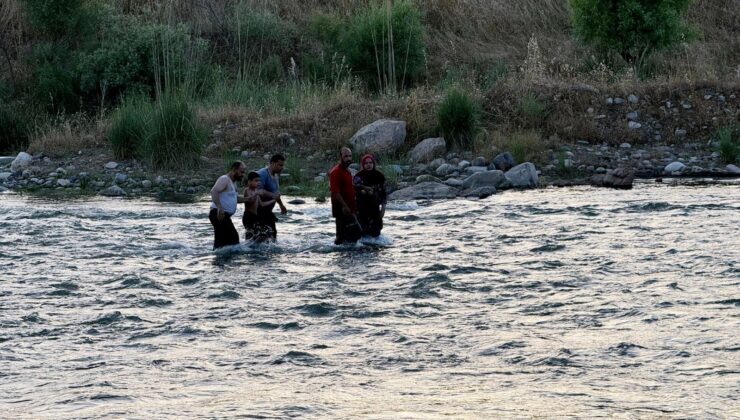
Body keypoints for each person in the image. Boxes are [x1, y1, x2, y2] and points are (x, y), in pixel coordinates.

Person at [209, 161, 248, 249]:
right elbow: (214, 191)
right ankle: (219, 260)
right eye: (241, 172)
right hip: (218, 213)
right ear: (234, 169)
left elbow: (235, 199)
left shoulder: (233, 183)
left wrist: (248, 199)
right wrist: (219, 207)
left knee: (225, 241)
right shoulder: (224, 179)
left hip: (223, 215)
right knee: (232, 239)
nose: (243, 175)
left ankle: (221, 259)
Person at [329, 147, 361, 245]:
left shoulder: (347, 171)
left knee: (350, 236)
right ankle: (341, 256)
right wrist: (345, 206)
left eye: (350, 156)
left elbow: (349, 188)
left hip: (349, 208)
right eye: (345, 156)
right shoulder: (335, 172)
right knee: (345, 236)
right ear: (341, 157)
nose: (348, 158)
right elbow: (335, 192)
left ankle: (347, 257)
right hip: (341, 209)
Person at [354, 154, 387, 237]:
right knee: (362, 233)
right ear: (363, 164)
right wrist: (363, 191)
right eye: (366, 163)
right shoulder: (358, 177)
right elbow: (354, 191)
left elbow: (383, 193)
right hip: (362, 209)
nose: (368, 165)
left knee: (376, 234)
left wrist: (383, 209)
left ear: (373, 163)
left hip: (375, 208)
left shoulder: (380, 176)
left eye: (370, 162)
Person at [257, 154, 288, 239]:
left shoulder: (275, 175)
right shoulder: (262, 174)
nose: (282, 167)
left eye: (283, 165)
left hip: (268, 212)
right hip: (259, 213)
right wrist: (272, 195)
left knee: (273, 237)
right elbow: (257, 191)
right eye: (280, 165)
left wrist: (281, 205)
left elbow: (276, 194)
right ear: (273, 163)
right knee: (261, 239)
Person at [242, 171, 277, 242]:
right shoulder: (247, 190)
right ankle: (248, 247)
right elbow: (250, 199)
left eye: (259, 181)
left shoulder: (256, 190)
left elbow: (262, 204)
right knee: (251, 234)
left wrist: (273, 200)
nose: (258, 183)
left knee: (263, 233)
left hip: (255, 216)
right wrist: (256, 193)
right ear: (249, 181)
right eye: (256, 181)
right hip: (248, 216)